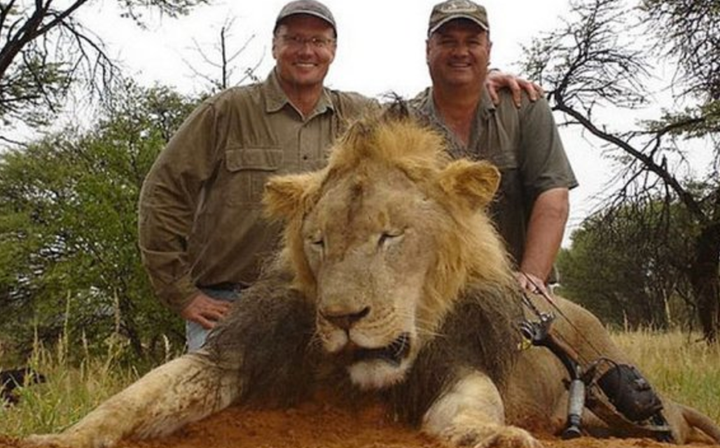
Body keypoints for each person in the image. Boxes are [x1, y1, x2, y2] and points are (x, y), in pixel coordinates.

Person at [139, 0, 542, 351]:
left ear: (333, 50)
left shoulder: (360, 117)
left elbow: (419, 137)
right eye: (294, 39)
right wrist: (183, 295)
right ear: (275, 45)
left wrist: (474, 81)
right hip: (228, 300)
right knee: (213, 403)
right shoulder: (226, 112)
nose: (306, 50)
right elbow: (162, 194)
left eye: (318, 41)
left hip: (313, 298)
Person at [412, 0, 578, 294]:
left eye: (472, 42)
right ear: (427, 50)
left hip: (517, 286)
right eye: (447, 41)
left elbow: (553, 196)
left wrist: (531, 278)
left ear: (488, 50)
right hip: (434, 292)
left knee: (582, 336)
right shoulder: (405, 121)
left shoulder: (525, 106)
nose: (460, 51)